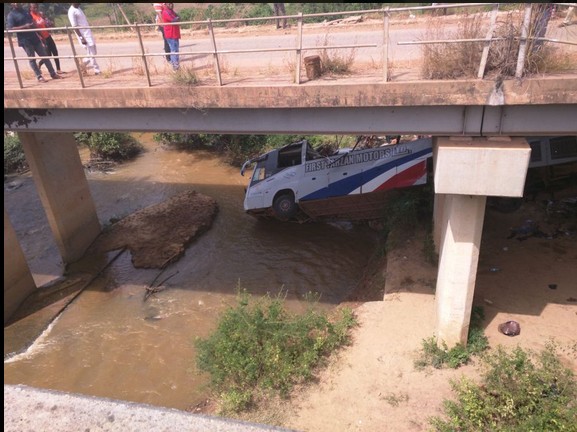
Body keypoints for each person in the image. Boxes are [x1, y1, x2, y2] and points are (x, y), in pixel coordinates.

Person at [6, 3, 62, 82]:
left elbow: (33, 25)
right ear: (11, 4)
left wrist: (41, 36)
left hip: (35, 38)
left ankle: (53, 73)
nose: (16, 3)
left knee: (45, 56)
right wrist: (25, 26)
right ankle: (39, 76)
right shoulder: (11, 15)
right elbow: (10, 28)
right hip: (25, 40)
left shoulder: (26, 12)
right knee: (32, 59)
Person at [29, 3, 63, 74]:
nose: (36, 9)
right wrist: (41, 38)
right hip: (41, 38)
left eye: (36, 7)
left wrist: (48, 23)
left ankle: (58, 69)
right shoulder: (30, 17)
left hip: (47, 35)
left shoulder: (39, 14)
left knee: (55, 52)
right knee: (48, 54)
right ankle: (40, 64)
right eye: (34, 8)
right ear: (30, 8)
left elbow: (45, 23)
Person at [68, 3, 101, 75]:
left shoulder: (78, 8)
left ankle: (82, 64)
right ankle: (97, 70)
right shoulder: (71, 11)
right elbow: (74, 26)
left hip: (88, 33)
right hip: (83, 35)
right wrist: (81, 37)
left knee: (93, 52)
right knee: (91, 53)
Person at [161, 3, 181, 71]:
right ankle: (175, 67)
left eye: (172, 3)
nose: (171, 5)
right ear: (165, 4)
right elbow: (174, 20)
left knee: (176, 50)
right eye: (169, 3)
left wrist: (177, 17)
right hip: (171, 34)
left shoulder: (171, 11)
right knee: (174, 50)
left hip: (175, 33)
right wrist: (177, 18)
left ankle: (176, 65)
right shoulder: (165, 12)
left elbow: (178, 17)